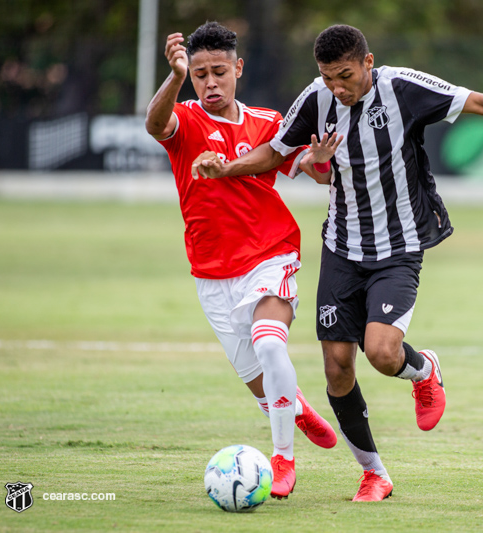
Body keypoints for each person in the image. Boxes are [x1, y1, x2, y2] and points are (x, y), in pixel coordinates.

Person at [191, 24, 483, 501]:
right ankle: (374, 473)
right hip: (342, 249)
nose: (337, 88)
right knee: (337, 369)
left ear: (367, 62)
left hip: (399, 248)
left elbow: (480, 100)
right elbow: (276, 153)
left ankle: (423, 371)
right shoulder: (316, 100)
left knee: (383, 353)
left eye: (345, 76)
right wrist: (228, 167)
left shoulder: (403, 87)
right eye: (328, 78)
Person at [144, 22, 340, 500]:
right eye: (199, 74)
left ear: (238, 69)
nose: (210, 83)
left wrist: (318, 159)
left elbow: (314, 173)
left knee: (271, 346)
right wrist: (172, 78)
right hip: (212, 273)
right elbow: (154, 125)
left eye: (219, 72)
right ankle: (292, 406)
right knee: (259, 382)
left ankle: (283, 459)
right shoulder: (185, 119)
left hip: (271, 253)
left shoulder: (268, 123)